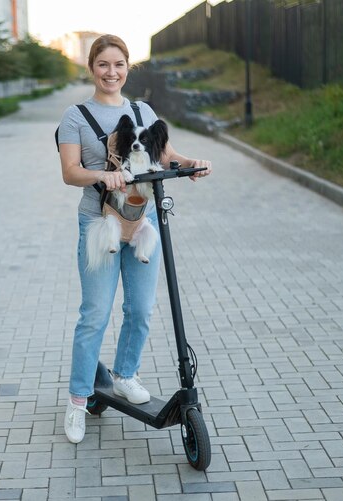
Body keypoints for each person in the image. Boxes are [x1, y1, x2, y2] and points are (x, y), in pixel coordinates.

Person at [57, 34, 212, 444]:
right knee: (95, 315)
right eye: (103, 64)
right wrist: (101, 175)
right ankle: (77, 401)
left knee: (141, 309)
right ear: (92, 67)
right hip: (98, 222)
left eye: (119, 64)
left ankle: (125, 374)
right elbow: (70, 171)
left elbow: (166, 155)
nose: (112, 72)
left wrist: (190, 164)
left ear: (129, 67)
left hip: (141, 220)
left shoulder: (142, 109)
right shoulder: (75, 116)